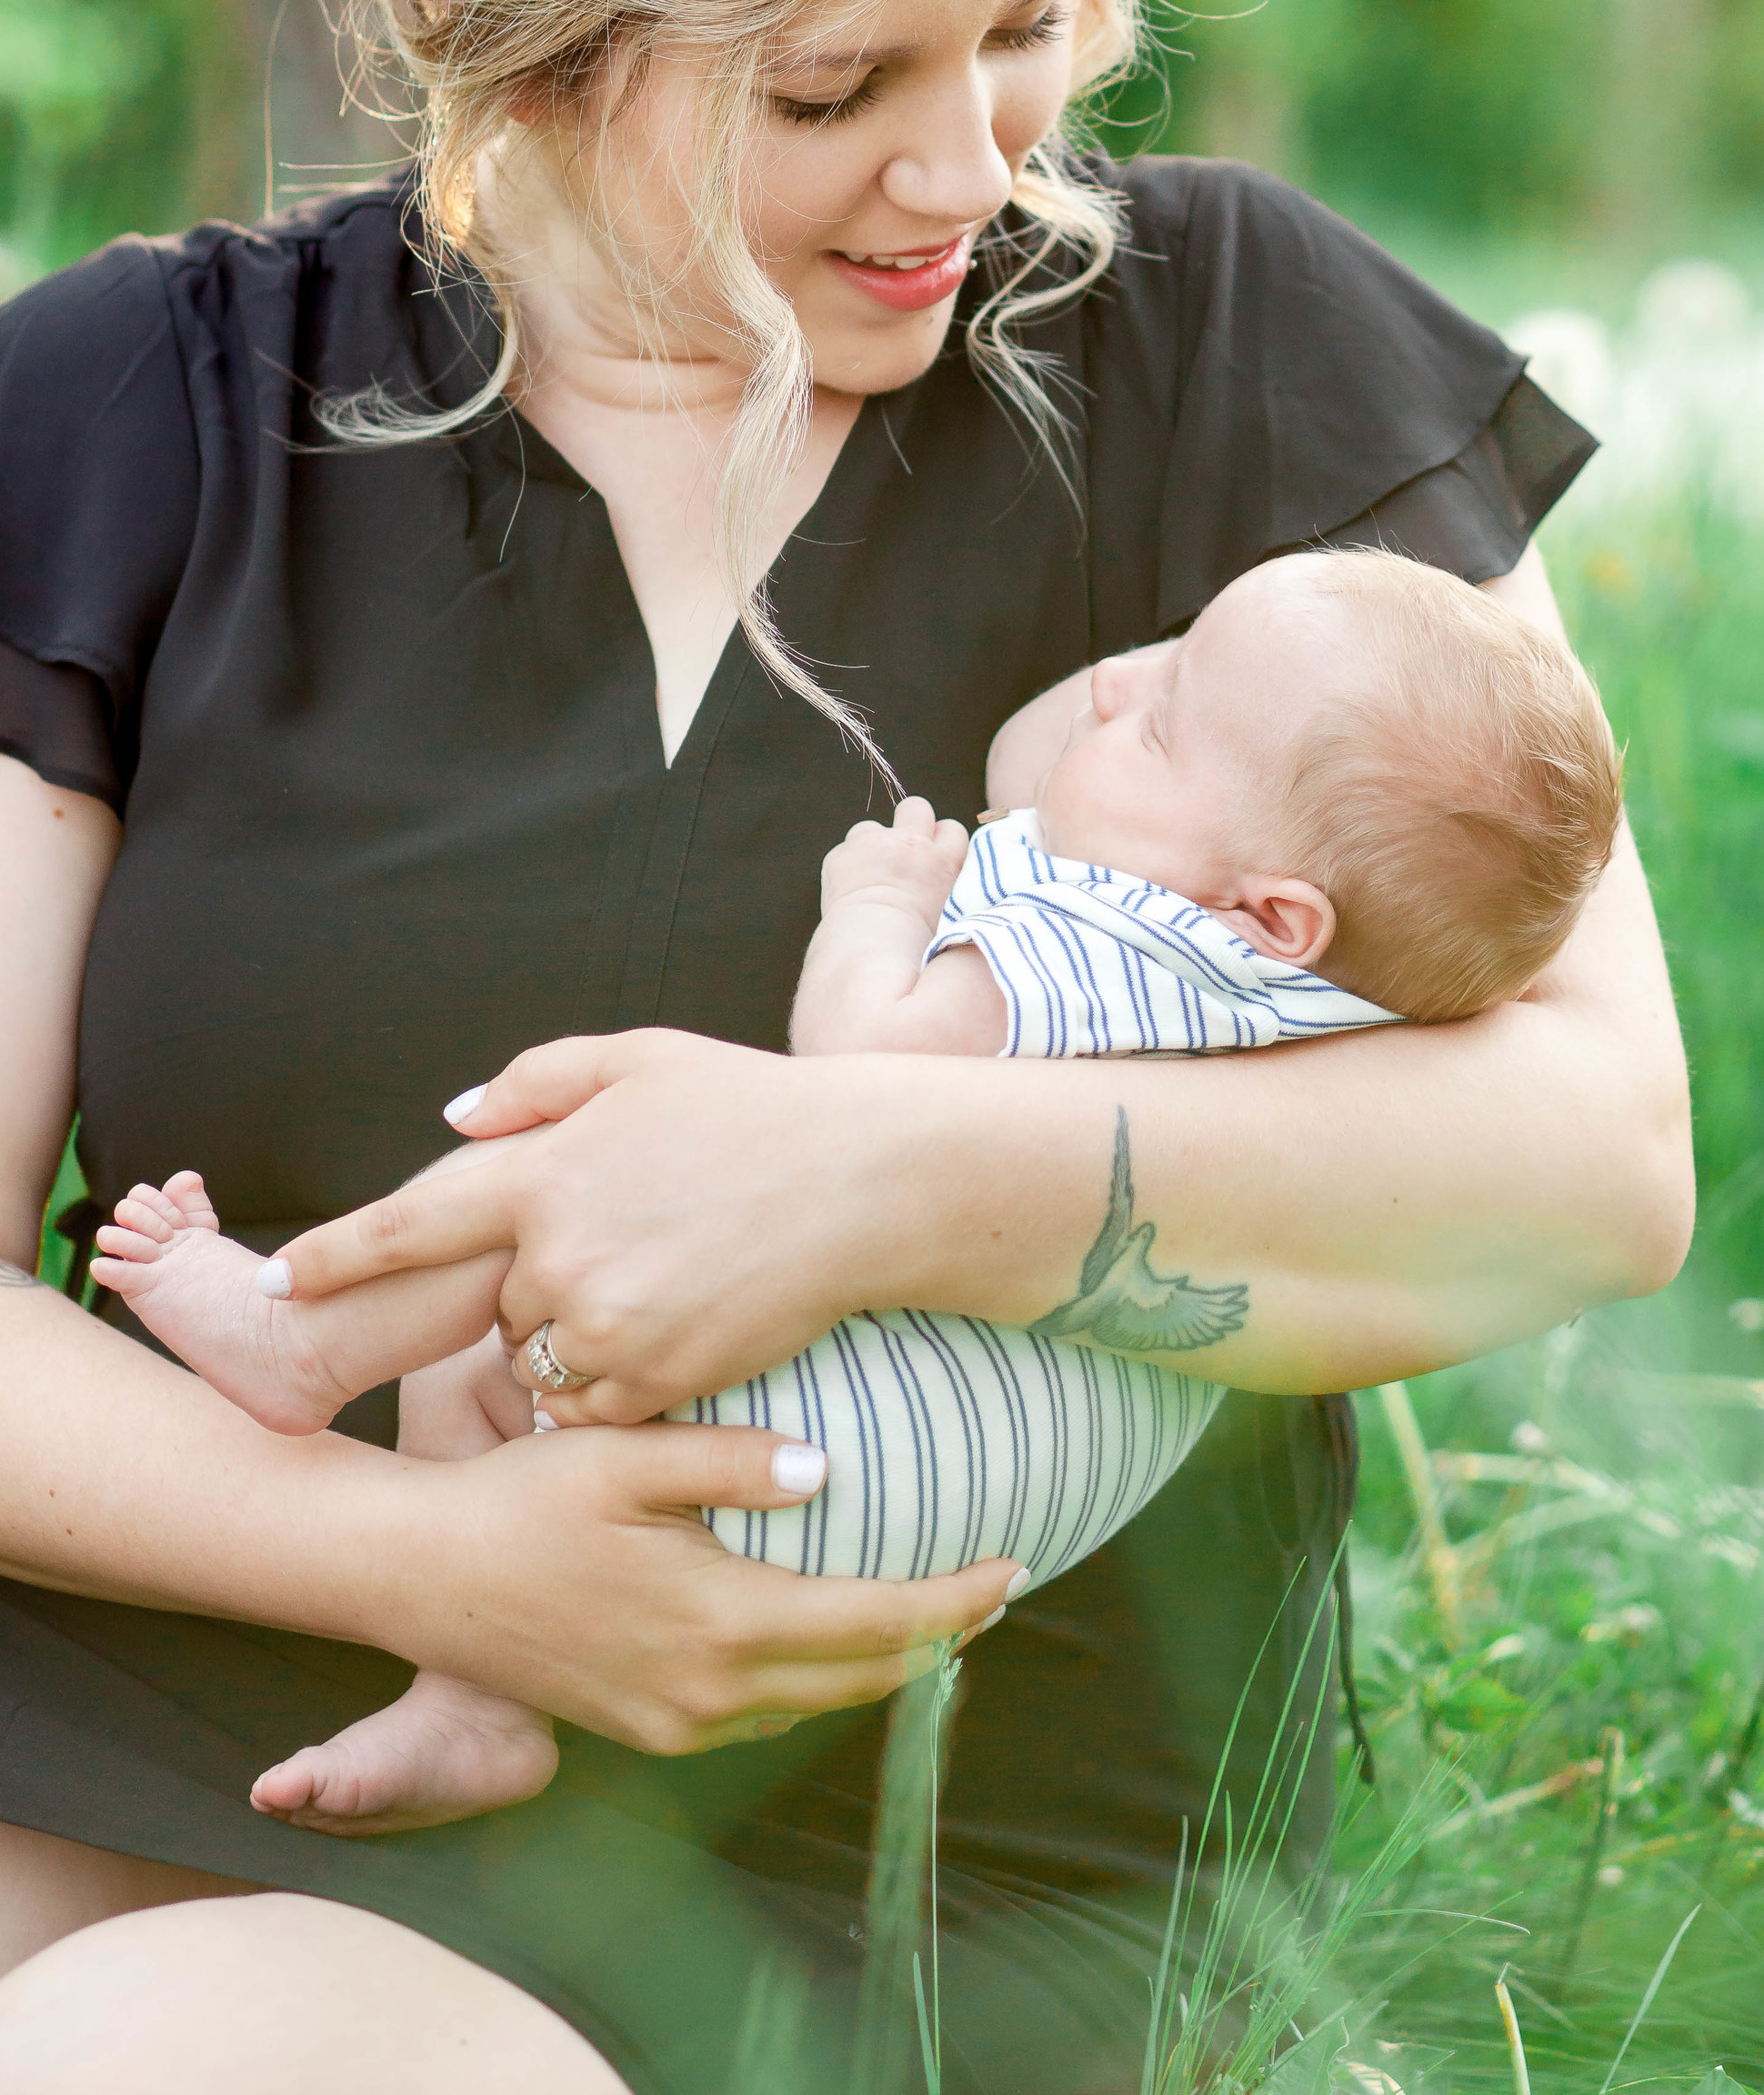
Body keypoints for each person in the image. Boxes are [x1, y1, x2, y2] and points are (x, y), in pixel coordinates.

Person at [0, 0, 1690, 2095]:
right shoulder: (109, 419)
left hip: (854, 1830)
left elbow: (1587, 1165)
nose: (966, 168)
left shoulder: (1228, 373)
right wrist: (419, 1544)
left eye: (1024, 28)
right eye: (829, 86)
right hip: (113, 1646)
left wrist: (873, 1162)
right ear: (525, 27)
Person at [84, 546, 1624, 1834]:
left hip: (817, 1429)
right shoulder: (1343, 1000)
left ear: (1271, 905)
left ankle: (313, 1337)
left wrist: (877, 910)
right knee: (532, 1334)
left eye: (1159, 731)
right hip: (964, 1504)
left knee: (573, 1160)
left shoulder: (1111, 938)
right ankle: (482, 1704)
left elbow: (863, 1065)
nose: (1116, 683)